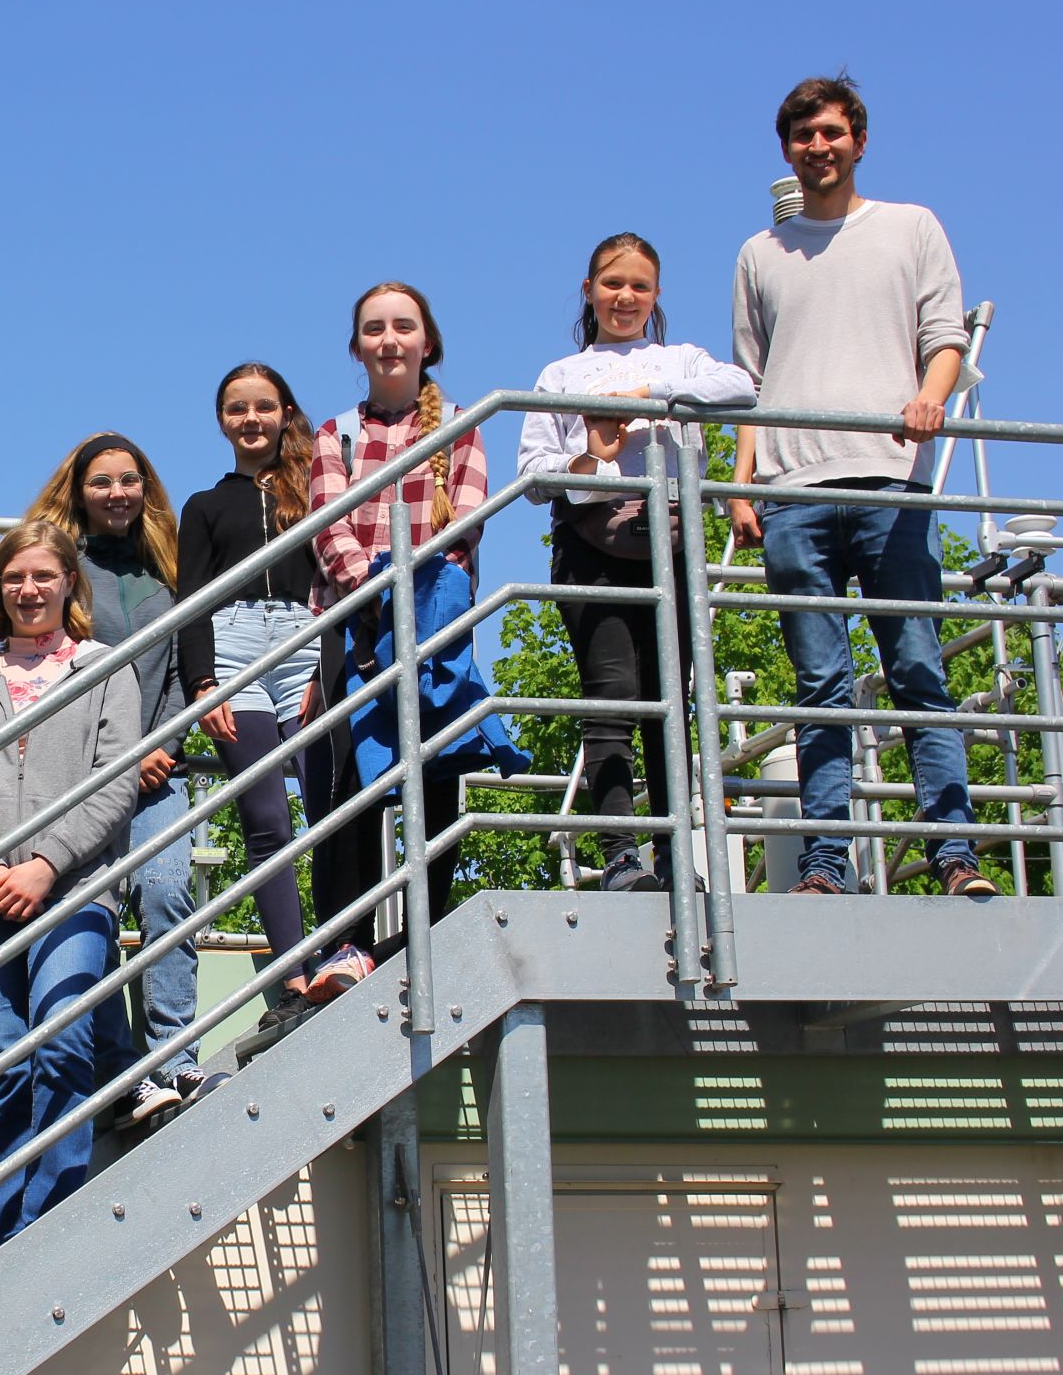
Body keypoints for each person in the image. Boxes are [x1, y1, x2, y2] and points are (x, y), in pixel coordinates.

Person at [728, 73, 996, 898]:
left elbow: (944, 336)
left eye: (833, 132)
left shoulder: (911, 227)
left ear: (860, 140)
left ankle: (955, 855)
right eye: (804, 136)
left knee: (918, 670)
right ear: (787, 150)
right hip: (793, 493)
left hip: (890, 482)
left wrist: (931, 396)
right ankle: (824, 866)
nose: (819, 147)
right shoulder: (760, 255)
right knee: (822, 687)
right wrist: (741, 486)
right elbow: (751, 381)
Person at [518, 233, 756, 892]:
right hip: (589, 553)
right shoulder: (560, 376)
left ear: (656, 296)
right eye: (612, 284)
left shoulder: (683, 359)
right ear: (588, 291)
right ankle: (621, 855)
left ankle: (676, 854)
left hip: (672, 545)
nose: (625, 297)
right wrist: (592, 454)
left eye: (640, 286)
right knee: (613, 698)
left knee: (671, 704)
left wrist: (649, 394)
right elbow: (533, 474)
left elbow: (741, 388)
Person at [0, 521, 139, 1243]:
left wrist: (45, 864)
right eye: (15, 577)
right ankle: (3, 1232)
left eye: (44, 576)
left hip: (77, 891)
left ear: (68, 583)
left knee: (60, 1043)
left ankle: (46, 1229)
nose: (29, 590)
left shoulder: (107, 668)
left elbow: (116, 786)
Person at [22, 434, 216, 1126]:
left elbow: (179, 667)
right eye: (101, 482)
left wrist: (162, 745)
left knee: (167, 897)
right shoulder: (62, 571)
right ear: (79, 491)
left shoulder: (167, 568)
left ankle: (175, 1057)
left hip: (161, 768)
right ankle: (123, 1077)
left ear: (146, 487)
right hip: (84, 775)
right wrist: (119, 757)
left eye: (129, 480)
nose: (116, 493)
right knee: (93, 918)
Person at [300, 282, 488, 995]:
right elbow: (329, 525)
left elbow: (464, 523)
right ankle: (347, 944)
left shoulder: (461, 426)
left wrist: (410, 600)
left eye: (402, 327)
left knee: (433, 774)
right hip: (354, 624)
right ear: (357, 347)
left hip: (433, 620)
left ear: (426, 342)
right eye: (374, 329)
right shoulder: (335, 433)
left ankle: (421, 933)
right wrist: (375, 598)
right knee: (352, 780)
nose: (388, 340)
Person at [178, 363, 323, 1017]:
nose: (252, 419)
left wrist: (327, 669)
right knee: (267, 819)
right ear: (221, 422)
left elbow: (340, 579)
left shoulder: (318, 490)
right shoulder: (206, 506)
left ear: (284, 412)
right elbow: (192, 601)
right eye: (238, 409)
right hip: (232, 650)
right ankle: (293, 975)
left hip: (305, 644)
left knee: (331, 800)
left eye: (264, 406)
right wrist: (202, 681)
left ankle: (349, 950)